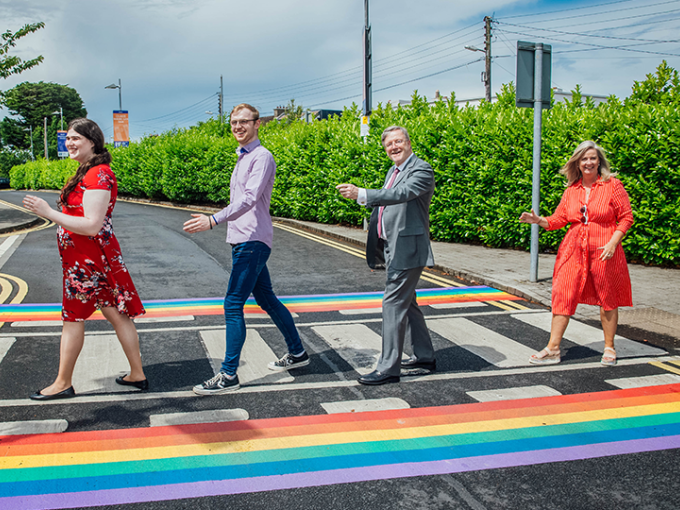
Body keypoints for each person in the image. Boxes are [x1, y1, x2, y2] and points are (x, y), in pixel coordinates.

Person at [184, 103, 308, 395]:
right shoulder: (243, 157)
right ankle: (298, 353)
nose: (238, 127)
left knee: (233, 303)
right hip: (244, 239)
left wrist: (213, 219)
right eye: (233, 122)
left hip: (253, 240)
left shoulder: (262, 157)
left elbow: (250, 198)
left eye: (244, 122)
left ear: (257, 124)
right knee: (267, 299)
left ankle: (229, 375)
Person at [23, 118, 148, 400]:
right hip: (91, 259)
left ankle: (62, 382)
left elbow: (92, 224)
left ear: (92, 141)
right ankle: (137, 374)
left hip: (87, 263)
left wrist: (48, 212)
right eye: (68, 138)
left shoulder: (97, 174)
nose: (69, 143)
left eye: (76, 138)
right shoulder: (89, 171)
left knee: (72, 319)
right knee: (116, 313)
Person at [336, 125, 436, 385]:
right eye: (389, 144)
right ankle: (424, 355)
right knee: (408, 303)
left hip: (408, 248)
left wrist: (363, 194)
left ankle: (388, 368)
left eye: (398, 141)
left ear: (409, 142)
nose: (394, 147)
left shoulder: (421, 170)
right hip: (392, 246)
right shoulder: (393, 170)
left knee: (392, 303)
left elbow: (401, 194)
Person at [519, 140, 634, 366]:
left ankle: (609, 347)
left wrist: (613, 243)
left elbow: (626, 217)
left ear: (599, 160)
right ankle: (553, 349)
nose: (589, 162)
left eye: (592, 158)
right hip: (572, 250)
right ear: (578, 163)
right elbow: (558, 220)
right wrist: (538, 220)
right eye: (584, 159)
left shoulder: (613, 185)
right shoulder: (571, 190)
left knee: (607, 297)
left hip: (604, 250)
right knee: (563, 294)